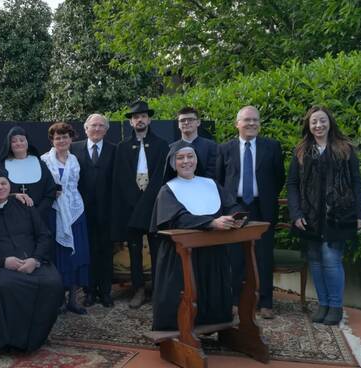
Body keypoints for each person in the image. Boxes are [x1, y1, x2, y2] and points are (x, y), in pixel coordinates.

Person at [0, 167, 64, 356]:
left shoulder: (25, 206)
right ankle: (5, 342)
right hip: (1, 267)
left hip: (34, 261)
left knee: (53, 283)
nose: (0, 187)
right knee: (4, 286)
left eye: (3, 183)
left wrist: (35, 260)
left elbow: (44, 235)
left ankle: (36, 338)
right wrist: (3, 261)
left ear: (9, 185)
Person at [150, 142, 243, 330]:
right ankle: (178, 330)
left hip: (213, 252)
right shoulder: (167, 190)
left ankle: (216, 325)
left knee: (214, 291)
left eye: (190, 157)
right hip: (182, 255)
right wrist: (211, 223)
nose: (186, 161)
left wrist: (237, 218)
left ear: (196, 160)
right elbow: (178, 218)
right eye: (180, 158)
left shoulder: (211, 184)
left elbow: (231, 205)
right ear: (172, 163)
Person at [287, 106, 361, 325]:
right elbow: (292, 184)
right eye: (314, 122)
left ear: (329, 122)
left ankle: (335, 306)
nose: (318, 125)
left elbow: (357, 182)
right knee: (315, 261)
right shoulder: (301, 150)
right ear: (308, 126)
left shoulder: (344, 148)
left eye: (322, 121)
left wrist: (360, 213)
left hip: (338, 215)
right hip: (309, 216)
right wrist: (295, 213)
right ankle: (322, 305)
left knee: (331, 259)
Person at [216, 106, 284, 319]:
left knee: (263, 257)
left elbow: (279, 177)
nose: (252, 123)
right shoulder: (225, 149)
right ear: (237, 124)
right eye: (247, 120)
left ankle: (266, 303)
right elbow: (219, 180)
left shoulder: (272, 147)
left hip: (261, 208)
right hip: (235, 209)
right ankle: (234, 300)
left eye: (255, 120)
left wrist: (265, 196)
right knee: (234, 257)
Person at [111, 100, 169, 309]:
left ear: (149, 119)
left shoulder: (162, 145)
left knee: (156, 248)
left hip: (154, 205)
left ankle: (159, 289)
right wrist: (135, 200)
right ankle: (138, 289)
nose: (140, 120)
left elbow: (161, 177)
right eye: (136, 117)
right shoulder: (122, 147)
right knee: (135, 249)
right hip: (131, 206)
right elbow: (122, 177)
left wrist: (147, 200)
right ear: (131, 122)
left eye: (143, 116)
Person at [41, 122, 90, 314]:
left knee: (75, 254)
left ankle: (73, 299)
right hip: (55, 212)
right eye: (57, 137)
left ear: (71, 139)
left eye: (65, 137)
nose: (62, 140)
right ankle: (59, 299)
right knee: (58, 254)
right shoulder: (44, 160)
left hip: (76, 210)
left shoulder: (75, 160)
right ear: (52, 140)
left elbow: (75, 186)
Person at [70, 114, 116, 308]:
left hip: (107, 211)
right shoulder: (73, 149)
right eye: (93, 125)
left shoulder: (115, 150)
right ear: (86, 128)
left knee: (105, 252)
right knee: (87, 251)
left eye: (101, 126)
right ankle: (89, 292)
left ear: (106, 129)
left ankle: (105, 292)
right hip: (81, 211)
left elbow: (118, 181)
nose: (97, 129)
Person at [0, 126, 56, 220]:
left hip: (39, 217)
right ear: (9, 144)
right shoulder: (1, 166)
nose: (18, 143)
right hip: (11, 217)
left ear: (27, 142)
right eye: (14, 141)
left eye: (22, 140)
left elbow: (50, 191)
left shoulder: (40, 164)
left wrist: (37, 213)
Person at [169, 107, 218, 179]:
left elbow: (214, 172)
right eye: (182, 120)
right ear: (178, 124)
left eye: (190, 120)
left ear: (198, 122)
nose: (186, 122)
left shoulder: (212, 146)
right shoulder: (171, 148)